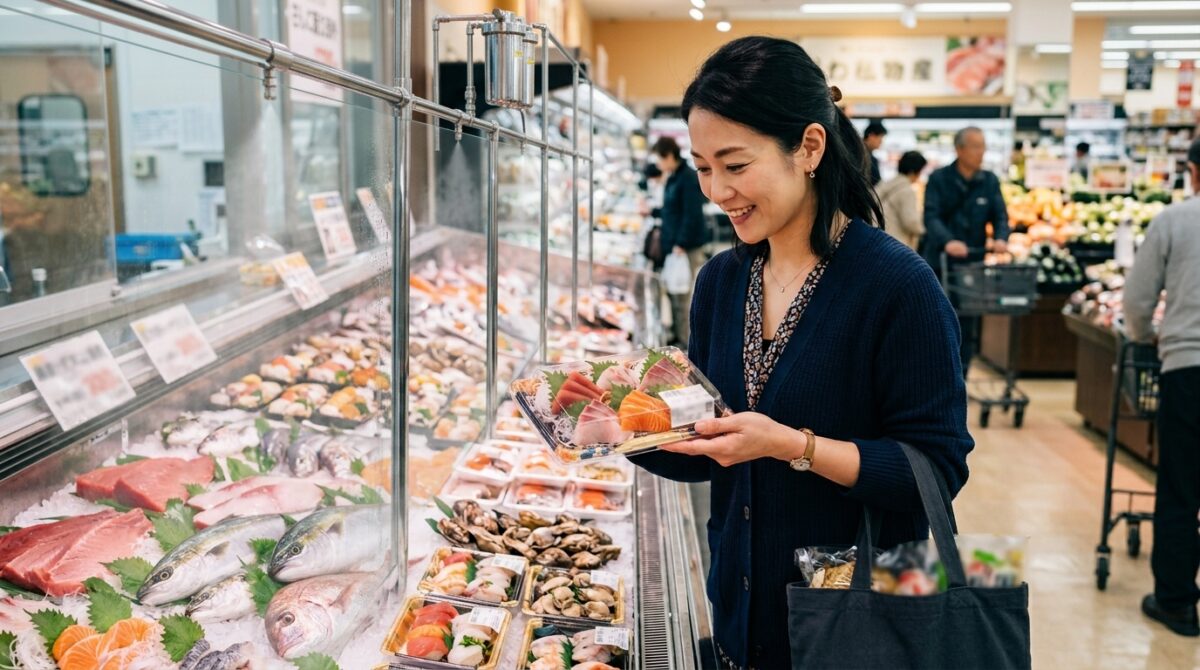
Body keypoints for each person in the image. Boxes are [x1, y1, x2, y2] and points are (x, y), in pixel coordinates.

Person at [629, 36, 973, 670]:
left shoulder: (897, 286)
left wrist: (792, 445)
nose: (716, 191)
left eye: (735, 165)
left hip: (856, 627)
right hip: (739, 617)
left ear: (809, 147)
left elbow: (936, 470)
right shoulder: (721, 283)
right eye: (703, 168)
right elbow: (719, 455)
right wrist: (615, 431)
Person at [1124, 137, 1200, 638]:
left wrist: (1144, 336)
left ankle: (1175, 603)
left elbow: (1137, 298)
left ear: (1192, 170)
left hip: (1188, 368)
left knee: (1180, 487)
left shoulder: (1175, 220)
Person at [921, 126, 1009, 378]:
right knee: (936, 320)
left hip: (972, 264)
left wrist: (1002, 238)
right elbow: (931, 216)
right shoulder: (939, 179)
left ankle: (961, 377)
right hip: (940, 262)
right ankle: (933, 376)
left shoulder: (989, 181)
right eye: (976, 146)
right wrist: (947, 241)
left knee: (968, 323)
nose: (981, 152)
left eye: (983, 146)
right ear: (959, 149)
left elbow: (1000, 216)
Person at [650, 136, 710, 347]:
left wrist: (681, 244)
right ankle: (677, 335)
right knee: (675, 292)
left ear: (668, 156)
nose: (657, 164)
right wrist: (653, 211)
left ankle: (685, 343)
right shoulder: (674, 176)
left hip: (685, 247)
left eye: (659, 158)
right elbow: (672, 209)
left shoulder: (687, 178)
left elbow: (692, 214)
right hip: (675, 245)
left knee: (682, 294)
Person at [877, 150, 928, 250]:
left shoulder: (884, 185)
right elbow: (911, 222)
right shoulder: (907, 191)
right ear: (914, 171)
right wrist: (923, 231)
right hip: (895, 245)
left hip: (879, 239)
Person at [863, 120, 887, 186]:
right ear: (871, 136)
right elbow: (876, 183)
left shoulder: (866, 154)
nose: (881, 142)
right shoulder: (865, 157)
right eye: (880, 138)